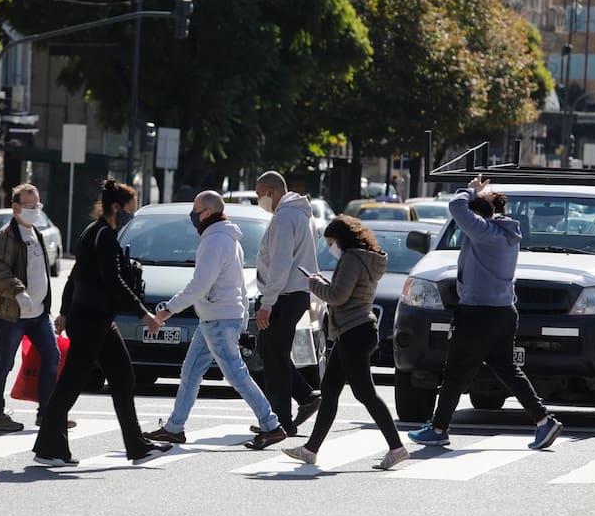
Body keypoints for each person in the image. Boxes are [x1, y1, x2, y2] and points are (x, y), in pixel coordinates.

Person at [408, 175, 562, 450]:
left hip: (478, 313)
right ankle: (543, 420)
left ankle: (439, 428)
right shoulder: (505, 233)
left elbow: (456, 208)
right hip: (502, 312)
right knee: (507, 369)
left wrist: (469, 191)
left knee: (455, 372)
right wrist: (478, 196)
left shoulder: (485, 233)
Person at [32, 178, 172, 467]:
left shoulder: (92, 232)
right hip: (93, 320)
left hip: (93, 318)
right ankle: (49, 448)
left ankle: (136, 446)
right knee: (72, 383)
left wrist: (65, 311)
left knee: (122, 376)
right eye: (129, 211)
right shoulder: (104, 236)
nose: (130, 217)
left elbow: (75, 277)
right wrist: (143, 313)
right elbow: (114, 281)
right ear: (116, 207)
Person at [142, 191, 286, 450]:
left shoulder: (215, 241)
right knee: (191, 372)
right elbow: (240, 285)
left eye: (196, 210)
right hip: (215, 319)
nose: (193, 215)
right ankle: (174, 428)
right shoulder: (228, 239)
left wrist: (167, 310)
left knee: (235, 375)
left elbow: (200, 285)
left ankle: (271, 425)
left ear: (207, 213)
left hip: (217, 320)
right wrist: (242, 322)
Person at [283, 216, 409, 469]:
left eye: (331, 243)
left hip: (355, 331)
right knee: (329, 392)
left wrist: (314, 284)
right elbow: (347, 292)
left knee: (365, 393)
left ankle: (397, 447)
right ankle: (310, 449)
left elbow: (338, 297)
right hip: (353, 331)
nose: (331, 248)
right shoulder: (364, 258)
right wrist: (324, 283)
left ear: (342, 239)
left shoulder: (352, 258)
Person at [0, 183, 73, 432]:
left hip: (38, 315)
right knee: (4, 364)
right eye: (29, 206)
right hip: (13, 315)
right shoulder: (5, 237)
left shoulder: (37, 233)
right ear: (15, 208)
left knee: (52, 356)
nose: (34, 211)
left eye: (37, 206)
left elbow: (41, 273)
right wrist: (17, 290)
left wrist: (46, 306)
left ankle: (47, 413)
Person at [253, 170, 322, 435]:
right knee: (274, 354)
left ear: (271, 191)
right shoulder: (302, 214)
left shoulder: (284, 217)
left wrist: (267, 303)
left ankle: (281, 419)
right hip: (294, 294)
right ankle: (304, 398)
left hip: (284, 295)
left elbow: (280, 263)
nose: (260, 200)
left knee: (274, 358)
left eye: (260, 194)